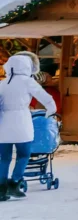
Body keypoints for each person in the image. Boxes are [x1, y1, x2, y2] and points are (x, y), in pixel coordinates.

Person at [0, 53, 57, 200]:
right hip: (21, 122)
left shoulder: (3, 83)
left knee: (4, 158)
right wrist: (51, 111)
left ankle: (1, 188)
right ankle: (14, 183)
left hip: (3, 123)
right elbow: (45, 97)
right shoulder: (27, 81)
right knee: (24, 154)